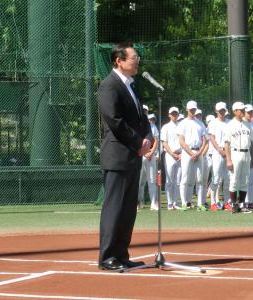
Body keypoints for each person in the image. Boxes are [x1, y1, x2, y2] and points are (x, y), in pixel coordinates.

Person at [98, 42, 152, 271]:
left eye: (137, 57)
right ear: (118, 61)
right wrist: (138, 141)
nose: (137, 61)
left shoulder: (132, 85)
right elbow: (114, 119)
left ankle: (122, 254)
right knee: (114, 207)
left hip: (133, 156)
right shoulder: (109, 85)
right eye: (133, 57)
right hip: (117, 156)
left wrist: (149, 137)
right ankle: (107, 257)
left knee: (129, 208)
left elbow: (141, 116)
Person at [224, 102, 253, 214]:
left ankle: (241, 205)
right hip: (235, 153)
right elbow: (226, 144)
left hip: (246, 154)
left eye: (243, 110)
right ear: (234, 111)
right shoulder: (230, 125)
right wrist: (228, 159)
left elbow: (251, 143)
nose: (242, 111)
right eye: (240, 110)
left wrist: (251, 157)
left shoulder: (248, 124)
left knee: (244, 181)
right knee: (234, 180)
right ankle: (233, 205)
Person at [177, 100, 207, 211]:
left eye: (194, 109)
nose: (192, 111)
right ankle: (184, 203)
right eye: (191, 109)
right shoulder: (182, 123)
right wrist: (191, 153)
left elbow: (205, 140)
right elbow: (181, 141)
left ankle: (200, 204)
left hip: (198, 151)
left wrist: (199, 153)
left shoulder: (200, 123)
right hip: (187, 152)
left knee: (199, 179)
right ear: (187, 109)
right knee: (185, 177)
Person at [209, 102, 230, 210]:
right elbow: (212, 138)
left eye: (223, 110)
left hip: (228, 152)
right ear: (216, 111)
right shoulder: (213, 123)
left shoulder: (229, 123)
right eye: (220, 110)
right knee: (216, 178)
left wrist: (227, 152)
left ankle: (227, 202)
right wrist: (219, 150)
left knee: (227, 178)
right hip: (217, 153)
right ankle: (213, 202)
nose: (222, 112)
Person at [161, 106, 182, 210]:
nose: (174, 115)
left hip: (181, 155)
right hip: (170, 155)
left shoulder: (181, 126)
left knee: (178, 181)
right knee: (169, 180)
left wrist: (181, 154)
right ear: (169, 115)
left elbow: (184, 141)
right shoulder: (165, 127)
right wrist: (173, 154)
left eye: (176, 114)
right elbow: (164, 143)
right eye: (172, 114)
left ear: (178, 115)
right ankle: (169, 203)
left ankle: (175, 202)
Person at [138, 113, 159, 211]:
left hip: (151, 155)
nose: (145, 113)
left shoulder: (153, 127)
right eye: (144, 111)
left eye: (146, 111)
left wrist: (151, 152)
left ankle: (153, 203)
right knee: (140, 181)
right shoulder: (136, 125)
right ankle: (139, 202)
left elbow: (156, 141)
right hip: (141, 155)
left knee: (152, 180)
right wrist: (144, 153)